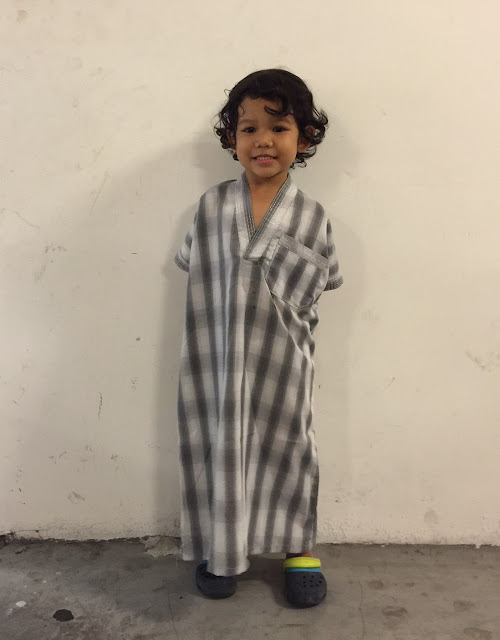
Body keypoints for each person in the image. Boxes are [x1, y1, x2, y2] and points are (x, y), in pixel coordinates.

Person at [174, 69, 343, 608]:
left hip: (283, 365)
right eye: (248, 129)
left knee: (290, 446)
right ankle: (220, 547)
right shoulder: (209, 208)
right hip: (216, 361)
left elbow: (326, 281)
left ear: (304, 138)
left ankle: (299, 550)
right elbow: (190, 262)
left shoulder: (312, 218)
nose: (263, 141)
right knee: (217, 443)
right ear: (232, 138)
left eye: (279, 127)